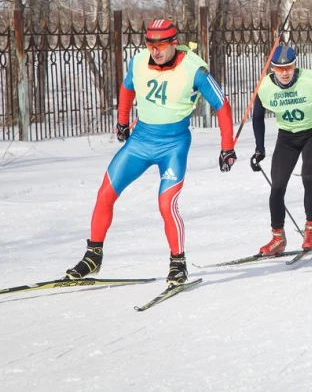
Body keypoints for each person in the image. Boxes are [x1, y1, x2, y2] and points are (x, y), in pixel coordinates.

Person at [65, 19, 236, 286]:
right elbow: (127, 87)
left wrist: (227, 147)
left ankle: (178, 264)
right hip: (141, 141)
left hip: (173, 145)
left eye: (161, 45)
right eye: (150, 44)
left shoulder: (194, 69)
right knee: (105, 194)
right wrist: (122, 120)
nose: (155, 51)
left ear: (173, 43)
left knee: (166, 204)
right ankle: (93, 256)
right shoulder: (138, 60)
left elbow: (222, 105)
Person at [249, 45, 312, 255]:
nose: (285, 72)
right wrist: (259, 148)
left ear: (295, 65)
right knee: (277, 186)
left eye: (289, 67)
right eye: (279, 68)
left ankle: (311, 231)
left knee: (308, 177)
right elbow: (257, 117)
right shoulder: (265, 86)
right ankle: (278, 238)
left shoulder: (309, 80)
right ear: (272, 69)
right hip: (287, 136)